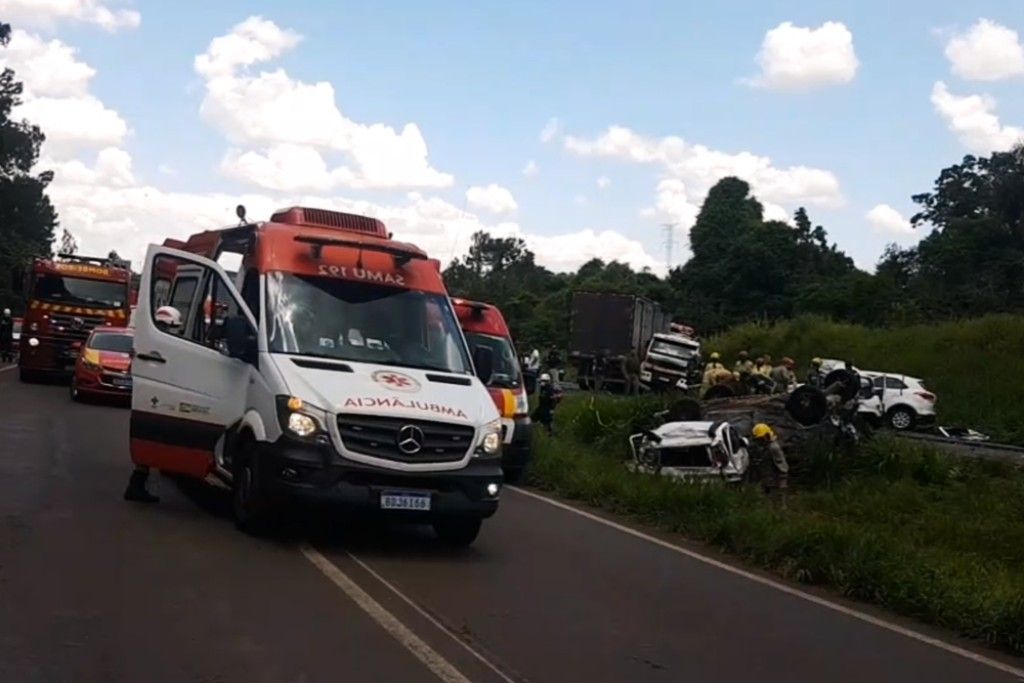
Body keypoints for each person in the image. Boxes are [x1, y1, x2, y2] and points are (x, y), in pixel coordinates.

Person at [749, 423, 789, 504]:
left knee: (777, 501)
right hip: (768, 479)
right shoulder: (766, 446)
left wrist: (781, 481)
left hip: (775, 480)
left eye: (760, 439)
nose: (758, 441)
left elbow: (782, 466)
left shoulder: (773, 448)